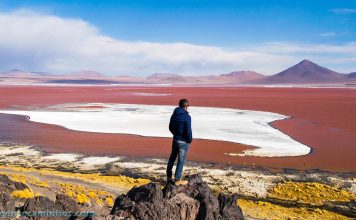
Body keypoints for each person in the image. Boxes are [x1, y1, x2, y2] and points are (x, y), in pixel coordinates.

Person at [166, 98, 192, 185]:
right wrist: (189, 140)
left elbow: (170, 127)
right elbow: (188, 130)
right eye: (188, 105)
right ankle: (177, 180)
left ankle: (169, 177)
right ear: (186, 106)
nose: (188, 107)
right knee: (181, 160)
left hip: (175, 140)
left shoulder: (174, 115)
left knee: (172, 158)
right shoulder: (186, 117)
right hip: (183, 142)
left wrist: (176, 135)